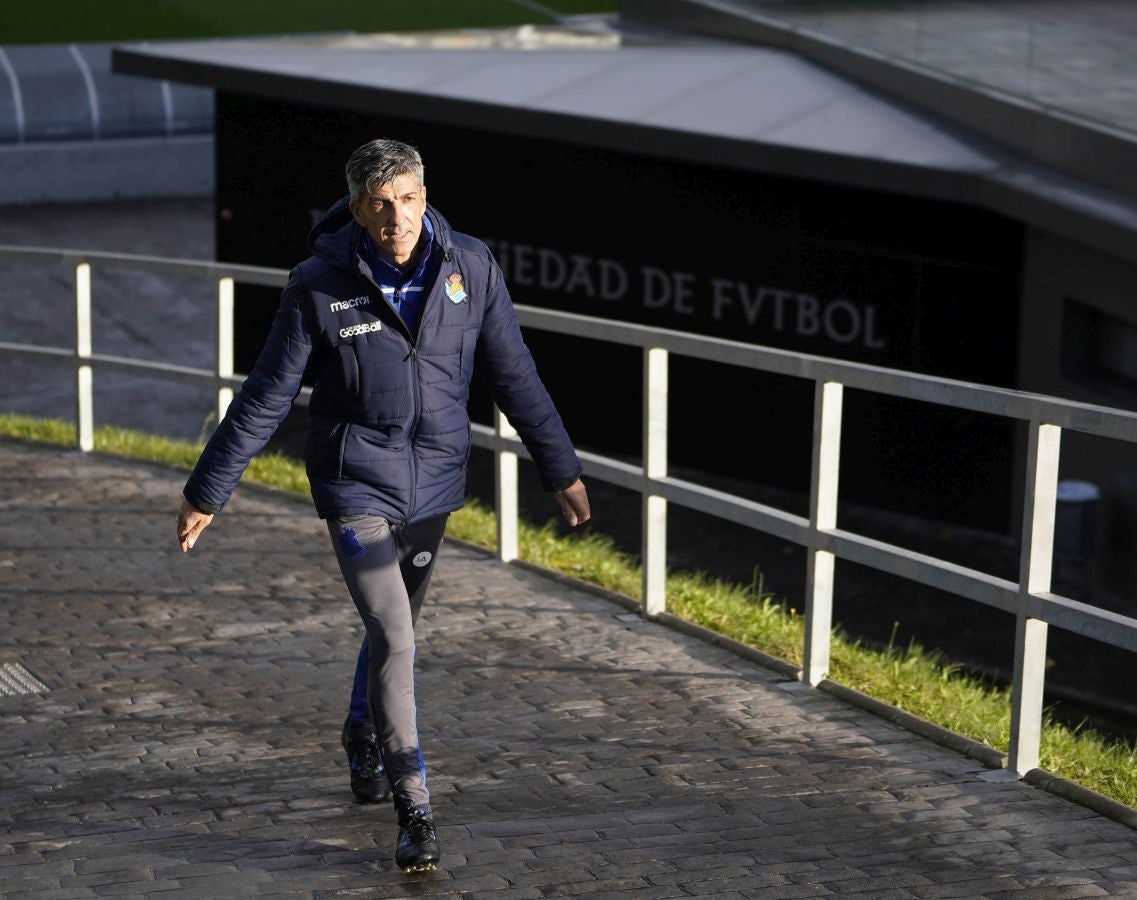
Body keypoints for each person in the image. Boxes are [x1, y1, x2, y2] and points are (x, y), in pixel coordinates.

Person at [175, 138, 591, 873]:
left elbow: (512, 372)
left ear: (423, 199)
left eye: (406, 200)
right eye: (379, 204)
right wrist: (209, 488)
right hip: (355, 487)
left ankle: (360, 731)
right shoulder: (318, 284)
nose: (395, 216)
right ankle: (415, 807)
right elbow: (268, 394)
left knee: (392, 630)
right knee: (395, 636)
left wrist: (558, 467)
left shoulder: (470, 266)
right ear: (359, 210)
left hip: (432, 484)